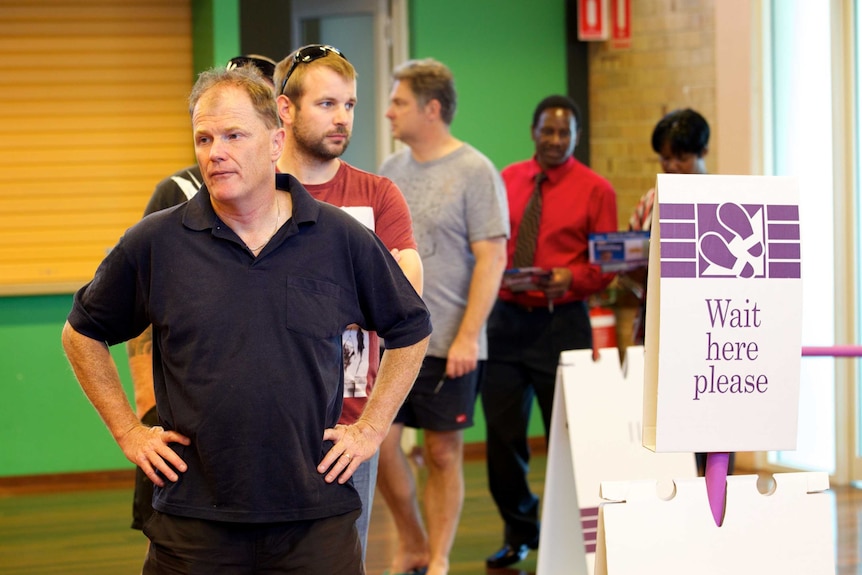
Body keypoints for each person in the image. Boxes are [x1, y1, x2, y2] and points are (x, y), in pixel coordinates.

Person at [62, 66, 431, 574]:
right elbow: (81, 333)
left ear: (276, 141)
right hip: (193, 521)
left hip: (314, 517)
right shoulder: (155, 243)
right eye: (204, 138)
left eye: (234, 135)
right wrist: (129, 430)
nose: (216, 152)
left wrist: (371, 429)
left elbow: (410, 329)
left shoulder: (339, 238)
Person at [273, 43, 423, 559]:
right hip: (266, 420)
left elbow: (406, 295)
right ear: (285, 110)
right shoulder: (256, 194)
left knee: (341, 560)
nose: (342, 119)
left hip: (350, 423)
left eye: (350, 105)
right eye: (327, 104)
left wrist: (371, 427)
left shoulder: (377, 195)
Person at [126, 53, 279, 536]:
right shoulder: (175, 193)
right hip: (186, 434)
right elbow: (130, 304)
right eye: (211, 134)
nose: (220, 147)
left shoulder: (304, 206)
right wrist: (146, 410)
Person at [377, 59, 509, 575]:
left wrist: (468, 338)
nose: (388, 111)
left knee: (442, 455)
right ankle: (411, 540)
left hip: (450, 341)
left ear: (432, 109)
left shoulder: (475, 171)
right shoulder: (390, 170)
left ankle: (438, 558)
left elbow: (492, 257)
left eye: (399, 102)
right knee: (381, 447)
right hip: (393, 342)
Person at [481, 95, 618, 569]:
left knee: (572, 435)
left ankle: (581, 540)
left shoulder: (597, 189)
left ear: (576, 137)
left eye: (565, 133)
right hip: (505, 321)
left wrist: (571, 278)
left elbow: (606, 266)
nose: (556, 140)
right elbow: (492, 241)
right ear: (534, 131)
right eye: (548, 131)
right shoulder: (507, 180)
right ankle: (520, 531)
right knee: (501, 439)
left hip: (563, 323)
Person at [626, 108, 733, 476]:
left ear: (702, 152)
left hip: (711, 333)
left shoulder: (724, 201)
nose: (671, 166)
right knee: (663, 427)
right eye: (665, 158)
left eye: (681, 158)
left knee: (712, 430)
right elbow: (634, 266)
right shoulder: (649, 202)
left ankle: (715, 507)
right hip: (657, 330)